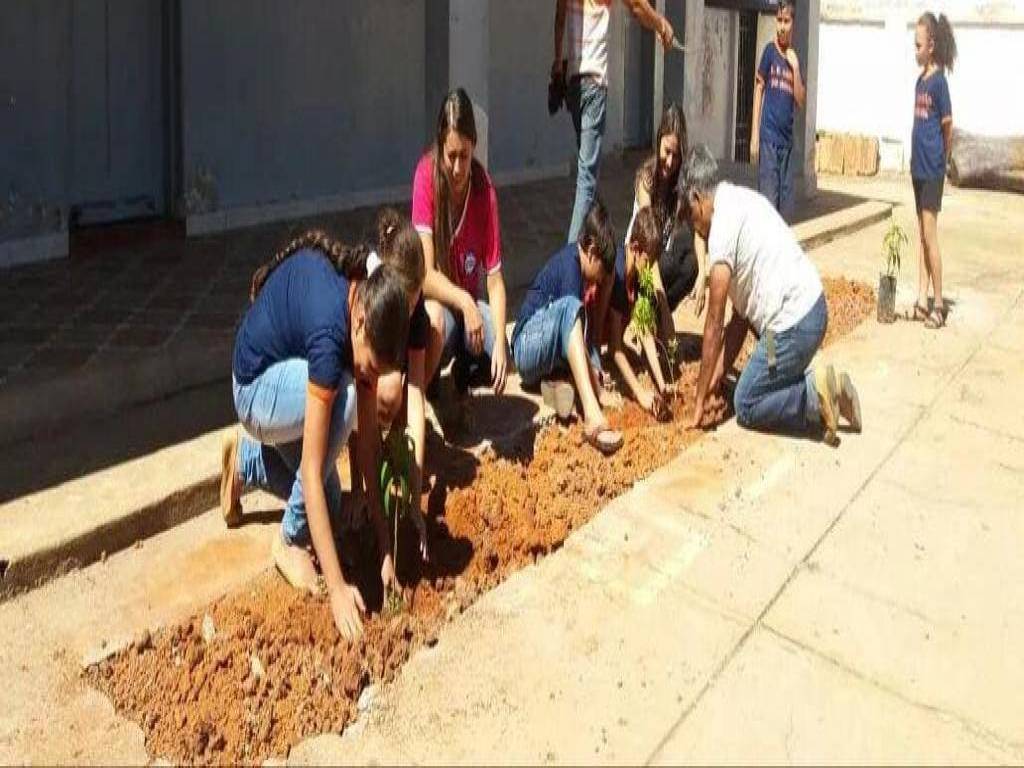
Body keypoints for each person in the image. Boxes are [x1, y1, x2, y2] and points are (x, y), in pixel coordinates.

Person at [221, 231, 409, 641]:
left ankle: (248, 462)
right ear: (360, 323)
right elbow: (310, 470)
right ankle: (287, 541)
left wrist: (385, 547)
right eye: (371, 369)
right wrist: (338, 590)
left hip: (285, 380)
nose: (371, 378)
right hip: (254, 389)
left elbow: (368, 449)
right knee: (343, 405)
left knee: (331, 502)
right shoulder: (331, 337)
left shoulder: (363, 303)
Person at [680, 145, 861, 446]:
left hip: (791, 327)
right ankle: (830, 387)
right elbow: (738, 323)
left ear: (697, 198)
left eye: (690, 217)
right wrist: (714, 381)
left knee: (747, 402)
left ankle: (814, 395)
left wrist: (699, 403)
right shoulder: (740, 199)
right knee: (768, 374)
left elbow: (714, 323)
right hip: (808, 313)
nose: (695, 229)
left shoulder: (721, 231)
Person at [413, 88, 510, 421]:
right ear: (440, 148)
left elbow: (495, 281)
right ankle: (420, 393)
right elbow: (425, 275)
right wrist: (465, 302)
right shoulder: (425, 176)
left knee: (499, 349)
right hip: (442, 305)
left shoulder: (484, 190)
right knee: (438, 323)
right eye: (450, 155)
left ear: (474, 147)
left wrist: (499, 347)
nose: (457, 167)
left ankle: (462, 373)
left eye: (464, 156)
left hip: (467, 311)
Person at [553, 0, 676, 243]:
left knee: (589, 170)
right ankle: (570, 254)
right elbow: (637, 6)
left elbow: (559, 18)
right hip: (594, 85)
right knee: (587, 178)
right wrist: (661, 24)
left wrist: (558, 61)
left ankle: (598, 236)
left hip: (574, 83)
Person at [512, 199, 623, 455]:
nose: (600, 279)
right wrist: (598, 392)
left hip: (540, 356)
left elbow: (581, 340)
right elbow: (575, 333)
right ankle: (592, 417)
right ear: (592, 251)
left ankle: (555, 385)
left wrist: (597, 367)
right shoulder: (570, 266)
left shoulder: (578, 268)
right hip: (524, 346)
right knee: (571, 308)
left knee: (575, 322)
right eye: (601, 271)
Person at [364, 208, 431, 560]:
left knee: (435, 328)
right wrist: (364, 492)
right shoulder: (370, 298)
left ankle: (386, 446)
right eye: (408, 301)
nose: (413, 308)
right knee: (387, 390)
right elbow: (358, 385)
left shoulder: (415, 310)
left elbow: (416, 395)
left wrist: (416, 499)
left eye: (417, 298)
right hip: (336, 386)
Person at [625, 102, 708, 344]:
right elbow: (647, 248)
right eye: (666, 151)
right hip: (640, 262)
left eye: (676, 155)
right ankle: (649, 318)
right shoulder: (646, 180)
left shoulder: (680, 185)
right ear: (658, 141)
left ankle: (656, 321)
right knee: (669, 260)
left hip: (660, 261)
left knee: (691, 263)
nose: (670, 162)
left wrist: (703, 274)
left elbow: (699, 231)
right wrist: (664, 310)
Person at [599, 206, 673, 419]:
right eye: (648, 261)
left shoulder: (639, 276)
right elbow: (615, 348)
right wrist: (641, 394)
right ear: (635, 248)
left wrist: (662, 384)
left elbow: (645, 332)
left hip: (611, 336)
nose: (650, 269)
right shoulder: (618, 273)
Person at [910, 12, 956, 330]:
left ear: (931, 46)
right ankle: (921, 300)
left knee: (930, 235)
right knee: (921, 236)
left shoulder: (939, 83)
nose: (915, 50)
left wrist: (943, 159)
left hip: (932, 169)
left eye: (918, 45)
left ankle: (939, 305)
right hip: (917, 168)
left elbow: (947, 126)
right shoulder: (920, 81)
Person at [750, 0, 805, 220]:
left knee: (785, 211)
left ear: (793, 23)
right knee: (768, 206)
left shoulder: (794, 59)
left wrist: (796, 68)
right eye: (779, 20)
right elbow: (758, 88)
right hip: (769, 141)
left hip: (787, 144)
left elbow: (800, 100)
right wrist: (754, 135)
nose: (782, 26)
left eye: (787, 21)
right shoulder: (769, 52)